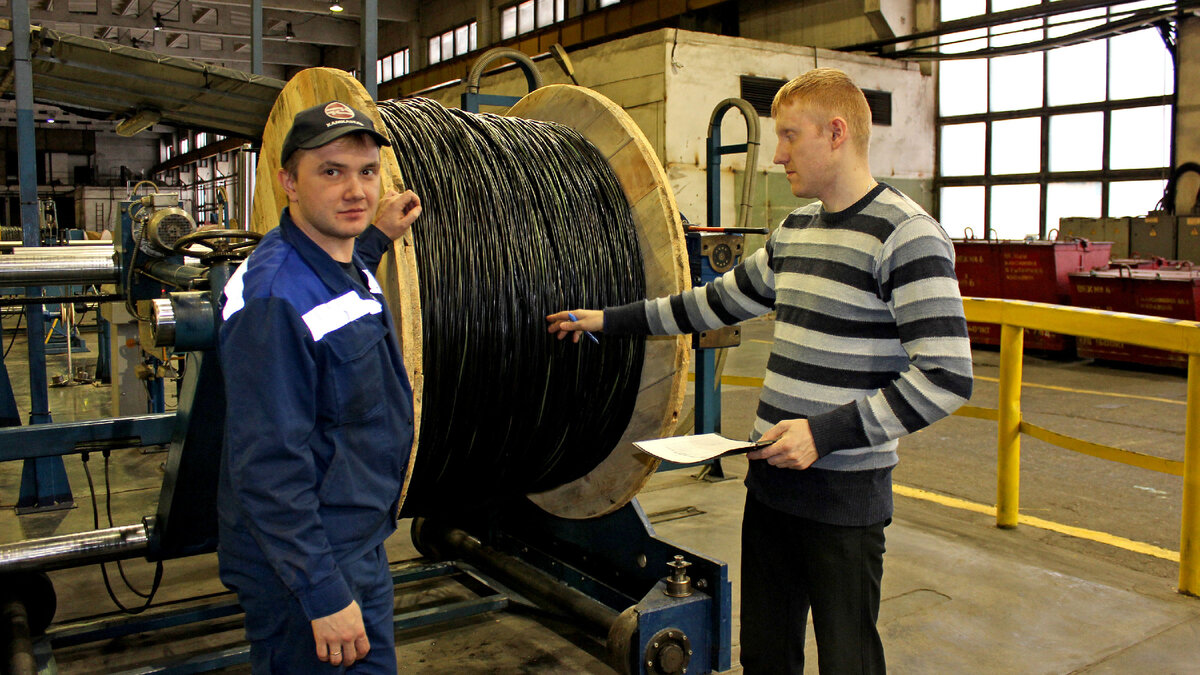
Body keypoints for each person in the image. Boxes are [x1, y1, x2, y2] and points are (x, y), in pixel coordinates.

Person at [547, 68, 973, 673]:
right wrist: (606, 321)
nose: (778, 155)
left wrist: (823, 435)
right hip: (772, 485)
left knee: (847, 658)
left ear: (836, 132)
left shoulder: (905, 236)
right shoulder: (794, 232)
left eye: (790, 136)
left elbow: (947, 375)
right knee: (768, 654)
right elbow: (710, 304)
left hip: (843, 497)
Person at [217, 100, 422, 673]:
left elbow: (339, 293)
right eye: (330, 172)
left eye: (366, 171)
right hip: (306, 563)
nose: (355, 190)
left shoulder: (337, 261)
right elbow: (268, 466)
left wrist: (379, 237)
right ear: (289, 183)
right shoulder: (274, 299)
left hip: (350, 539)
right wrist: (323, 594)